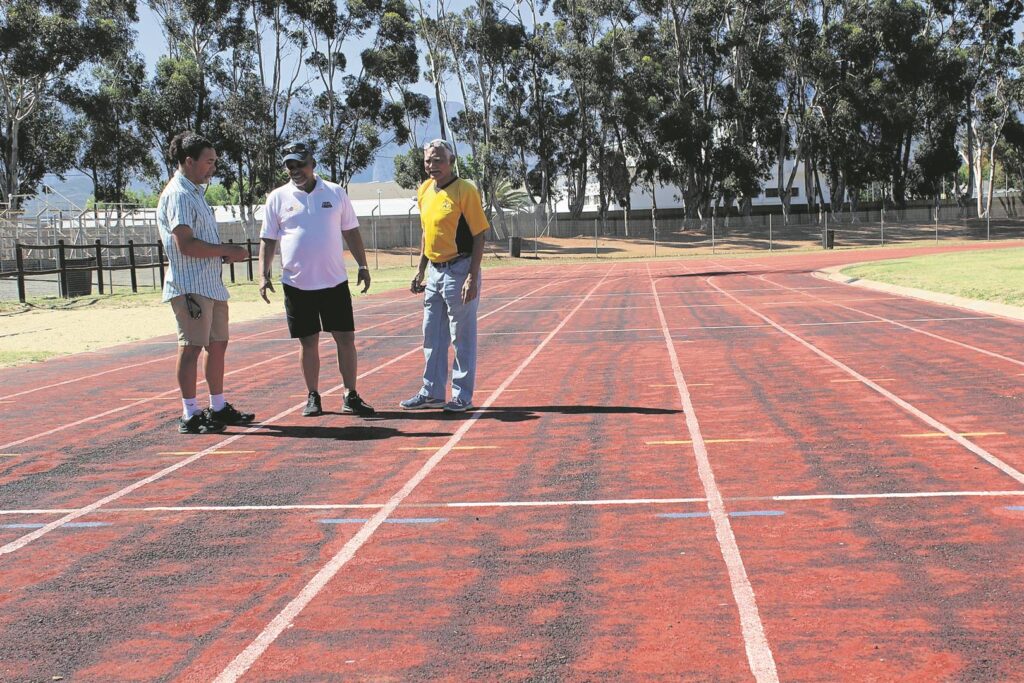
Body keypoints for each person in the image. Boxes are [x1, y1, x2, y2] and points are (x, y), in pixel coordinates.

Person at [258, 141, 376, 418]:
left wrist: (363, 265)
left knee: (345, 339)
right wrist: (263, 275)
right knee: (307, 343)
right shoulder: (277, 197)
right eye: (290, 166)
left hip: (334, 282)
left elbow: (352, 232)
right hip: (297, 284)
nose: (295, 170)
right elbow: (267, 239)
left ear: (312, 164)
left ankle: (350, 394)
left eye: (300, 164)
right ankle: (313, 396)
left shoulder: (335, 193)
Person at [157, 131, 256, 434]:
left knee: (217, 345)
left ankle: (218, 406)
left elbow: (200, 242)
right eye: (209, 161)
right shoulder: (179, 195)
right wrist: (227, 250)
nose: (214, 167)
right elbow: (185, 245)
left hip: (210, 284)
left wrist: (223, 255)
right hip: (190, 286)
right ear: (189, 161)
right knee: (191, 348)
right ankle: (190, 413)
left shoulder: (195, 193)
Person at [401, 138, 489, 413]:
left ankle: (462, 395)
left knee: (461, 337)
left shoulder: (465, 190)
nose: (432, 165)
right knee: (432, 337)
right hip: (435, 274)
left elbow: (479, 234)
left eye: (438, 159)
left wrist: (472, 277)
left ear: (451, 161)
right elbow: (427, 232)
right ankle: (432, 392)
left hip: (460, 270)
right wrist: (420, 269)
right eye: (428, 160)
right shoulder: (425, 189)